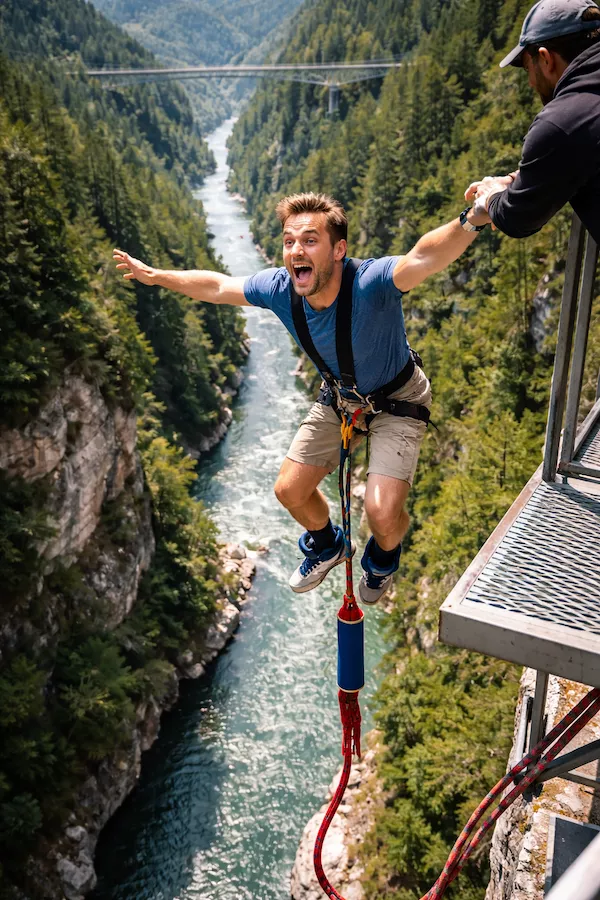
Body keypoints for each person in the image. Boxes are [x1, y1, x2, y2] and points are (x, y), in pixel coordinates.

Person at [114, 192, 488, 604]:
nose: (296, 250)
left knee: (382, 514)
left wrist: (473, 218)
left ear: (338, 249)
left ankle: (383, 556)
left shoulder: (370, 283)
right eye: (289, 241)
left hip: (398, 398)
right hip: (342, 399)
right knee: (289, 492)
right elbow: (220, 286)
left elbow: (423, 258)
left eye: (310, 240)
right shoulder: (280, 288)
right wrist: (156, 276)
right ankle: (328, 544)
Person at [465, 0, 600, 242]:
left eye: (529, 69)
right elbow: (568, 156)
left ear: (546, 58)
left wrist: (492, 196)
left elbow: (517, 217)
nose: (530, 83)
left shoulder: (563, 121)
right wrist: (514, 179)